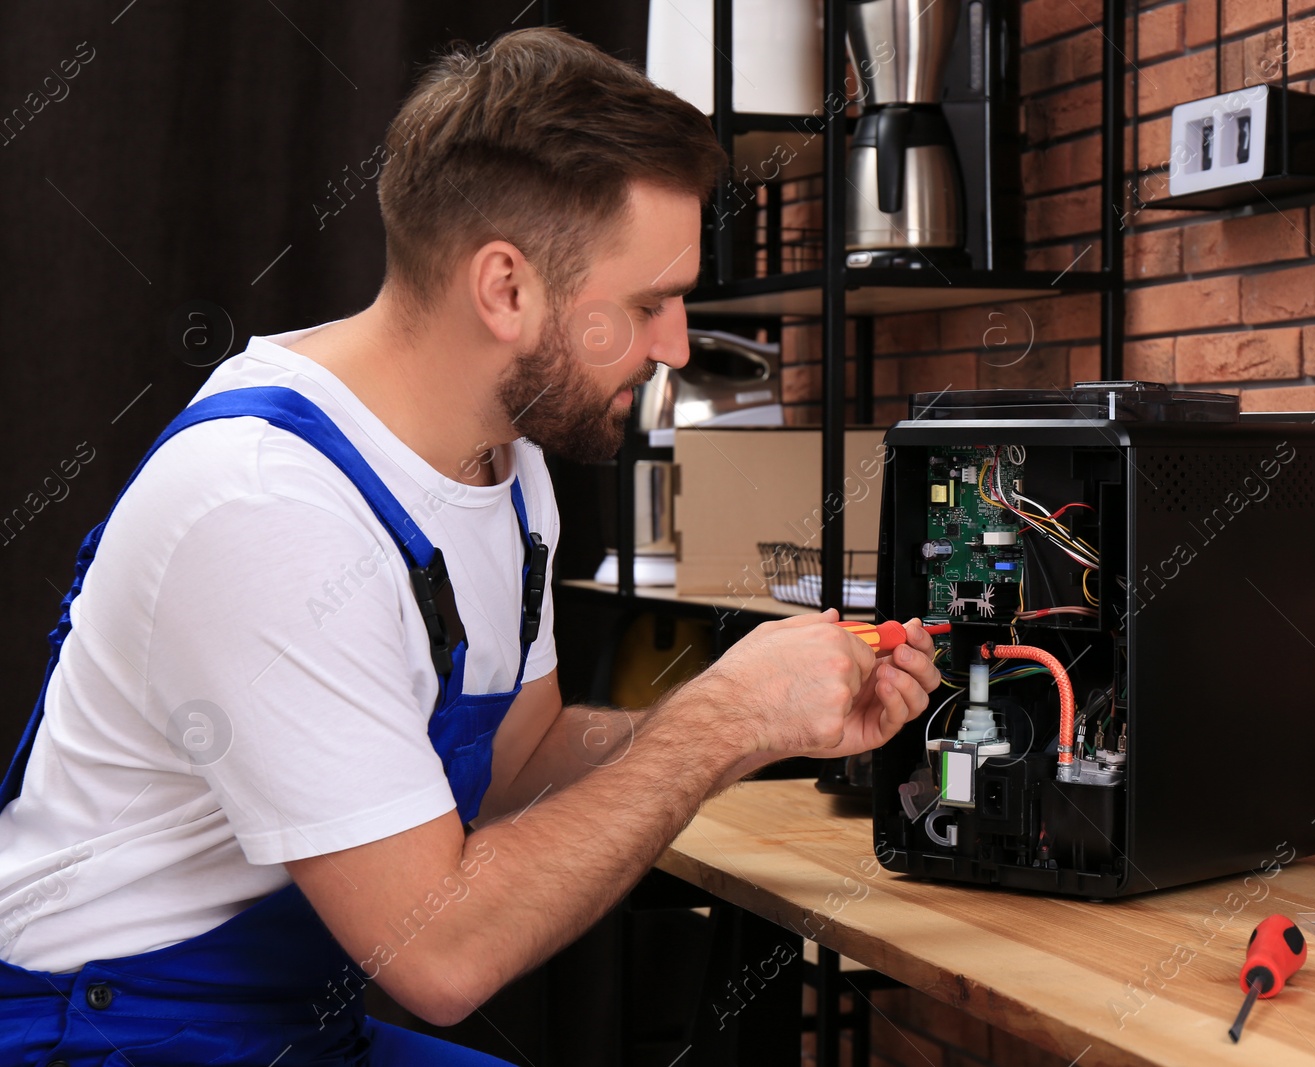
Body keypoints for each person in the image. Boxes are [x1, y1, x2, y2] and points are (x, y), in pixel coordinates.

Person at [0, 27, 938, 1066]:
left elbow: (512, 765)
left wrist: (765, 718)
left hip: (297, 1028)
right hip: (101, 1032)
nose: (677, 345)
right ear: (506, 289)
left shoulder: (507, 465)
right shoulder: (267, 507)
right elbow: (438, 954)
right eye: (646, 304)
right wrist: (716, 723)